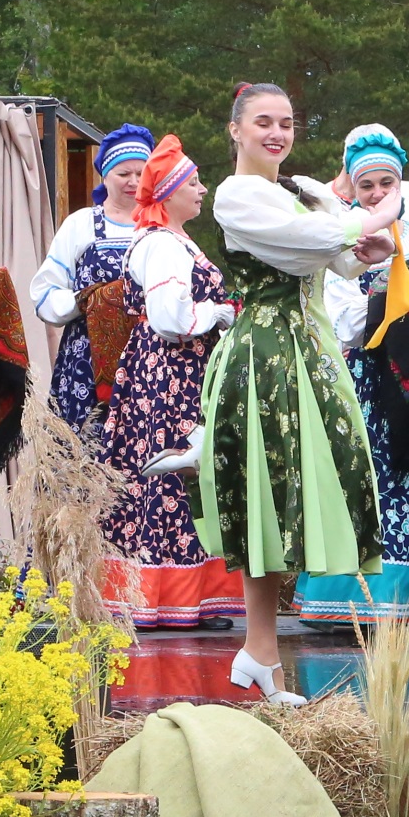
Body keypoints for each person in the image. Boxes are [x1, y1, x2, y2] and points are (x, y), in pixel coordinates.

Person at [188, 82, 403, 702]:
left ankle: (260, 651)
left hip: (308, 348)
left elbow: (338, 258)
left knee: (293, 494)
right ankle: (260, 651)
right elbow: (315, 242)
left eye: (285, 122)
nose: (277, 133)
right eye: (263, 122)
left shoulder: (300, 190)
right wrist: (372, 218)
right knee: (268, 492)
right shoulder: (236, 195)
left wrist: (366, 247)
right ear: (236, 129)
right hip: (265, 353)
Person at [299, 125, 409, 627]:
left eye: (386, 184)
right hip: (372, 382)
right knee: (377, 480)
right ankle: (355, 601)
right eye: (367, 185)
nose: (377, 194)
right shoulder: (343, 238)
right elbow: (345, 322)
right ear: (353, 188)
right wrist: (402, 300)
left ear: (400, 184)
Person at [96, 136, 243, 629]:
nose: (202, 190)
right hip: (171, 375)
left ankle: (181, 596)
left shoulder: (171, 240)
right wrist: (217, 313)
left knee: (176, 473)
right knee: (173, 471)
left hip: (170, 371)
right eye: (194, 183)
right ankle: (166, 597)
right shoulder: (161, 244)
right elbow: (169, 318)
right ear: (171, 192)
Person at [31, 124, 150, 440]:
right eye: (124, 173)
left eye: (141, 173)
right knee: (85, 451)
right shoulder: (81, 225)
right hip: (85, 359)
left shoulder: (159, 226)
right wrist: (84, 300)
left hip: (148, 357)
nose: (133, 181)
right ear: (105, 176)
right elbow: (44, 293)